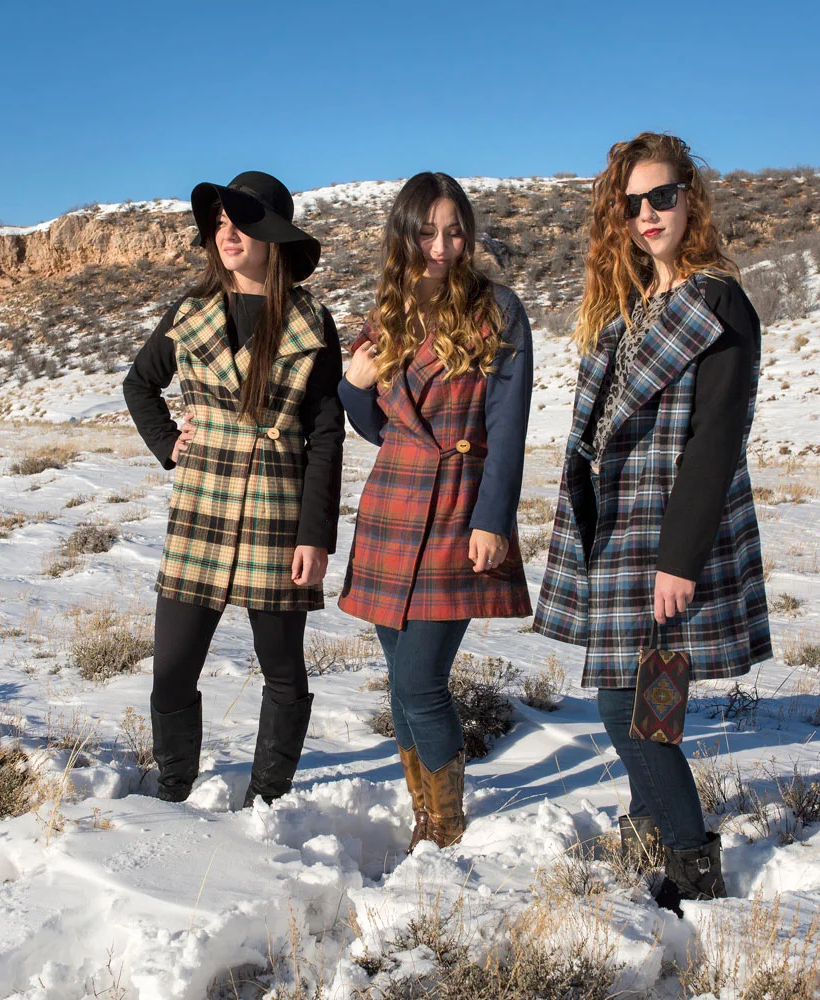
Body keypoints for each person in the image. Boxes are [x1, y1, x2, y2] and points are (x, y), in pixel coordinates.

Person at [532, 133, 771, 911]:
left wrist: (682, 558)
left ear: (690, 198)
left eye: (661, 196)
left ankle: (693, 869)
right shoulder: (631, 311)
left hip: (666, 538)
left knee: (627, 705)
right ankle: (650, 834)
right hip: (618, 534)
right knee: (645, 701)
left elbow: (716, 440)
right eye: (631, 203)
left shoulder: (717, 302)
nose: (647, 214)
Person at [123, 171, 344, 807]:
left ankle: (267, 798)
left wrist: (315, 536)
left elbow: (326, 435)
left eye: (240, 223)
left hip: (278, 508)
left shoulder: (311, 321)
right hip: (201, 506)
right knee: (171, 672)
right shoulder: (188, 314)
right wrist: (169, 444)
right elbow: (139, 385)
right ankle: (173, 787)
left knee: (282, 670)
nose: (226, 235)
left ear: (272, 238)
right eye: (218, 224)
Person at [338, 172, 533, 849]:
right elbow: (380, 426)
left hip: (456, 508)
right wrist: (350, 387)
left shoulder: (499, 309)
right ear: (406, 236)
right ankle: (423, 809)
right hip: (393, 506)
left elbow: (508, 426)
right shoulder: (386, 318)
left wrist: (492, 519)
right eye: (428, 232)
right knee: (400, 681)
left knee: (421, 679)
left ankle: (446, 827)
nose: (443, 245)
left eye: (455, 231)